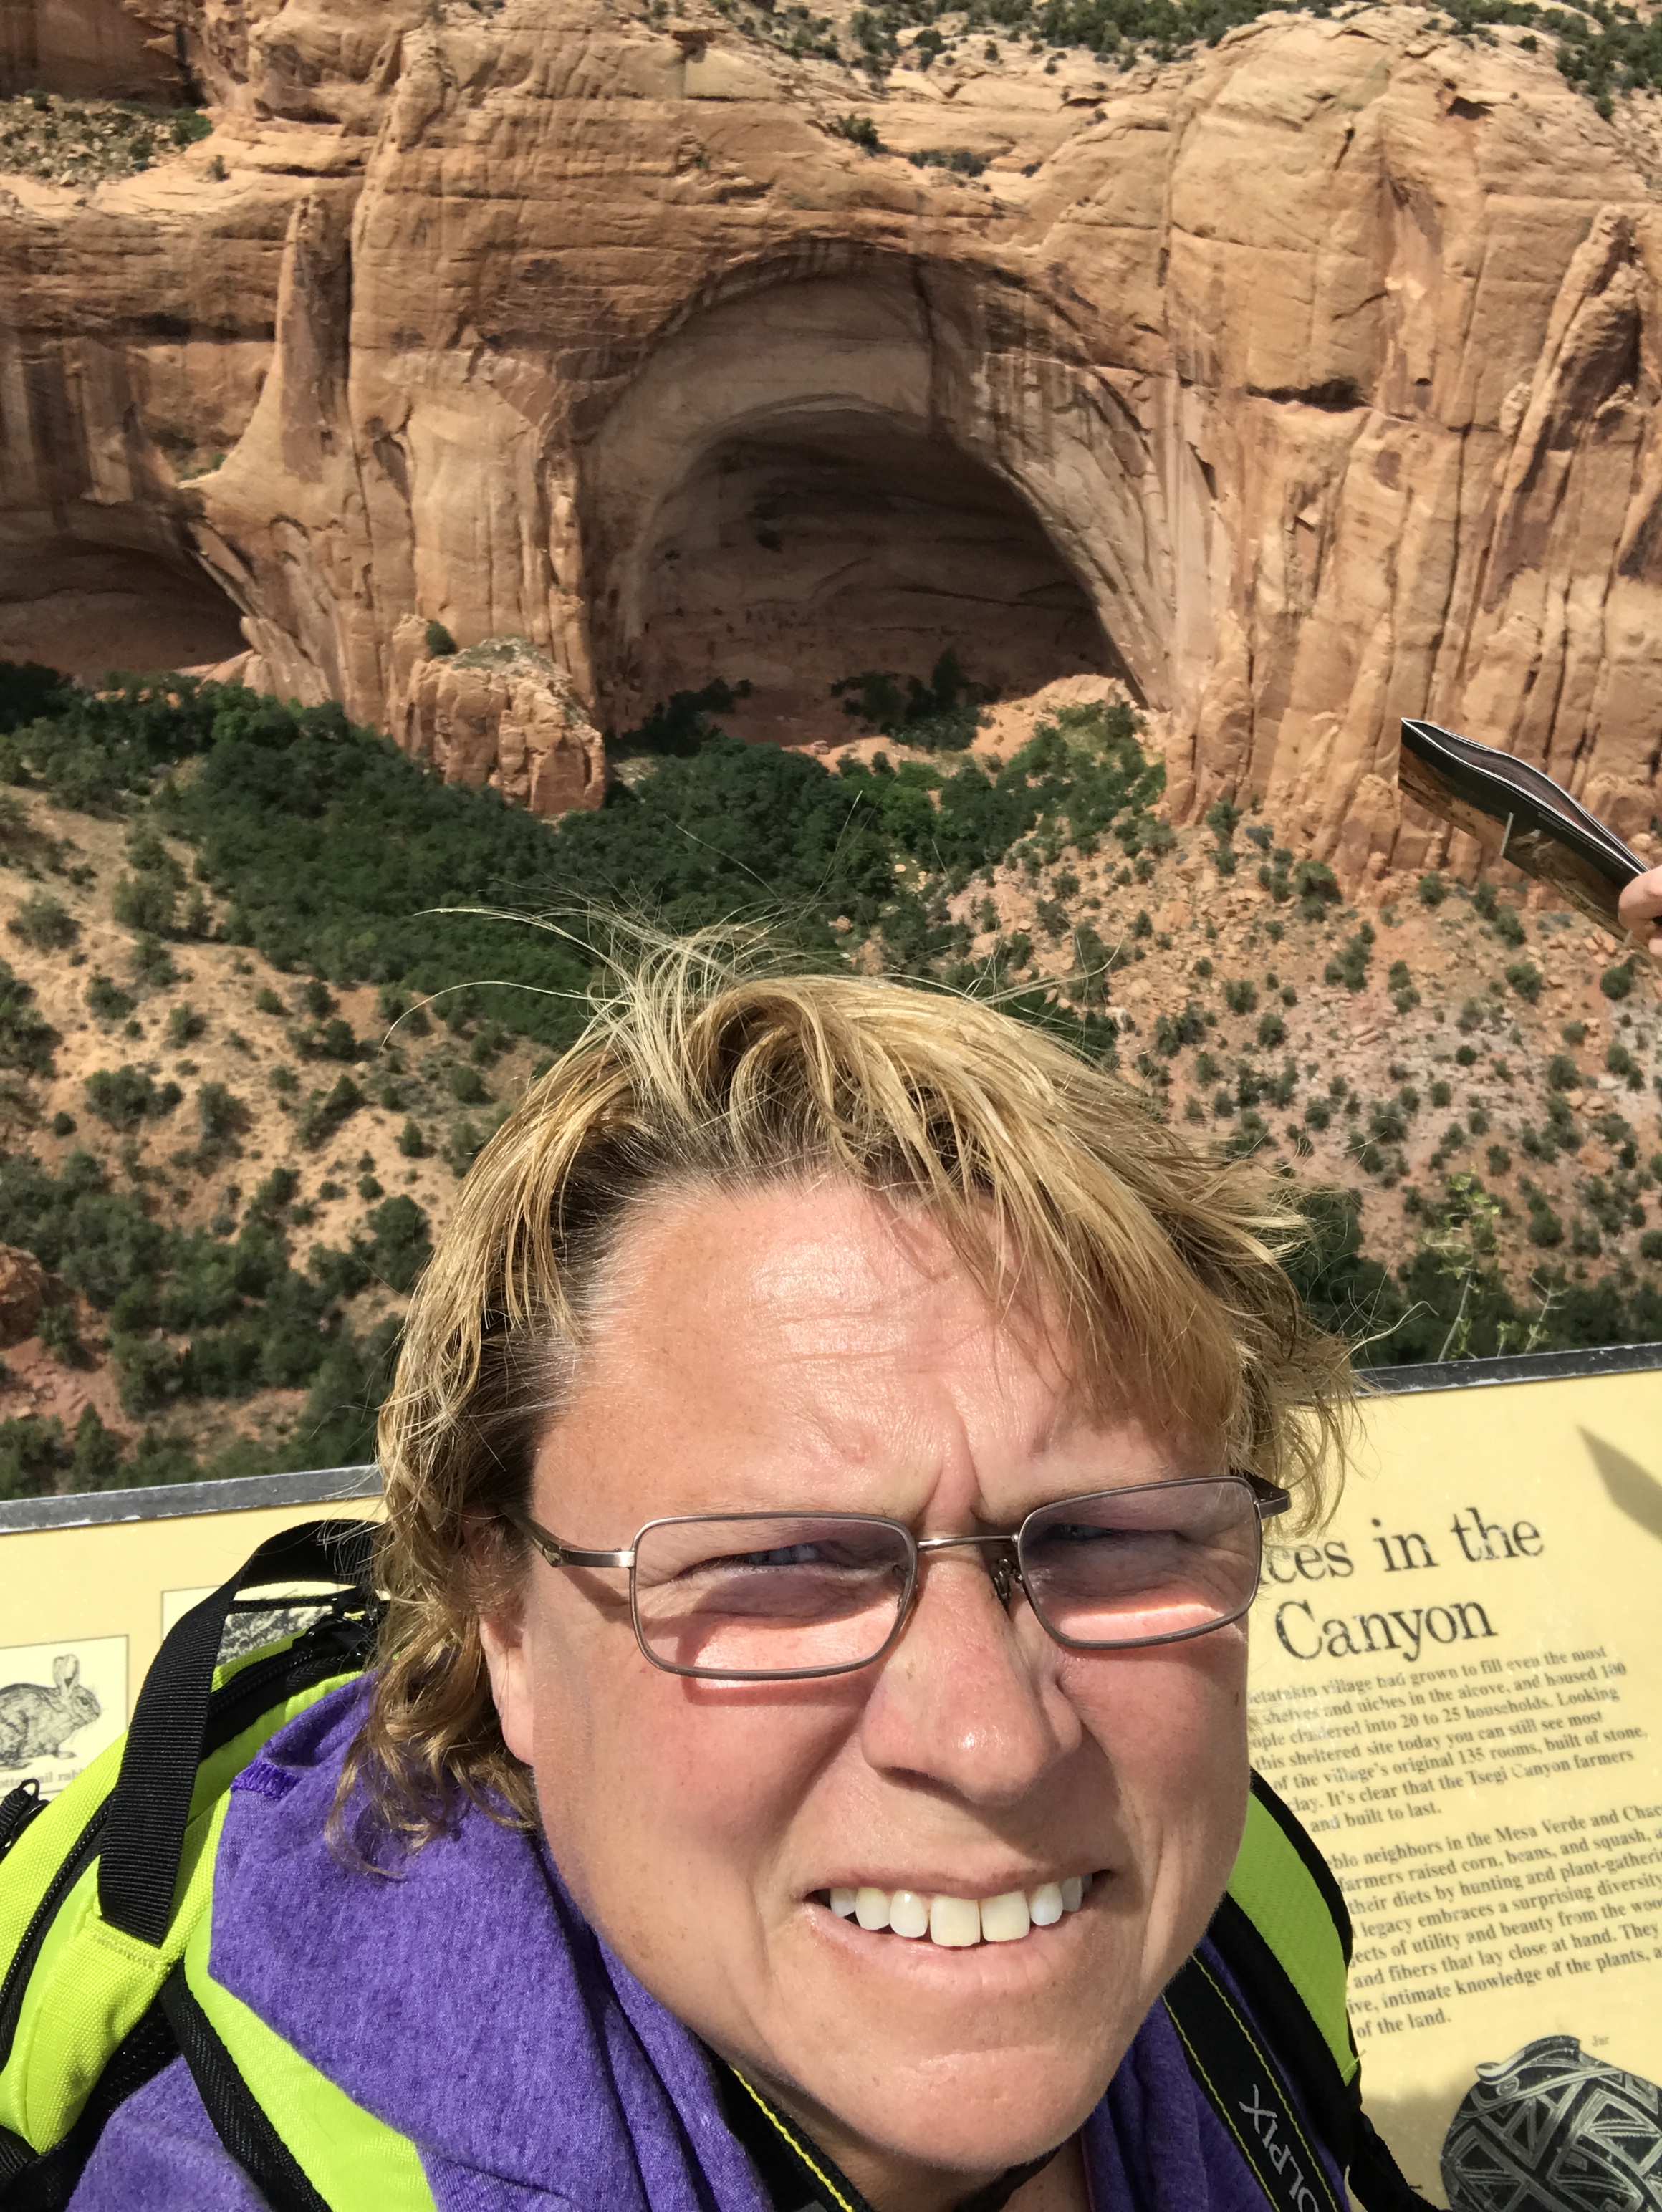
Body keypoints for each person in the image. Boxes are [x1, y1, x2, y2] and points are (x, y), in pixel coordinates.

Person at [70, 940, 1356, 2212]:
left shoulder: (1247, 1937)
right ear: (504, 1621)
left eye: (1107, 1537)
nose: (994, 1744)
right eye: (781, 1562)